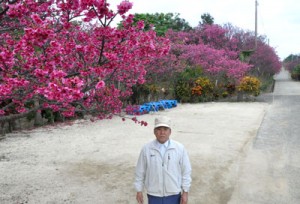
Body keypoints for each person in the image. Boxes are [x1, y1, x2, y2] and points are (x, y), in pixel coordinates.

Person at [134, 116, 192, 204]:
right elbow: (140, 171)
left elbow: (186, 171)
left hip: (174, 194)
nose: (162, 132)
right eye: (159, 129)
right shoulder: (146, 149)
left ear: (170, 131)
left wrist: (185, 192)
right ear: (154, 132)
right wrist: (139, 190)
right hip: (154, 195)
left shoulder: (179, 148)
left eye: (165, 129)